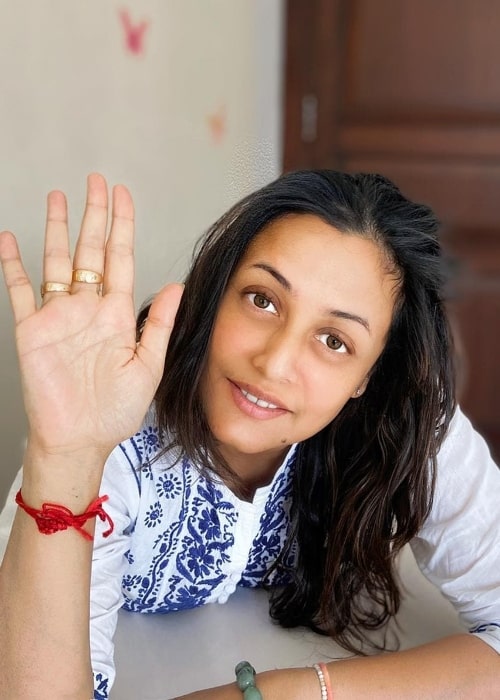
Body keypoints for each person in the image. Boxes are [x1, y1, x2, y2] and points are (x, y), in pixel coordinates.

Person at [0, 171, 498, 700]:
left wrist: (292, 693)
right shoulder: (109, 432)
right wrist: (68, 456)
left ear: (369, 377)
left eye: (334, 340)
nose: (274, 363)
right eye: (262, 300)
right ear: (215, 293)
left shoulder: (405, 418)